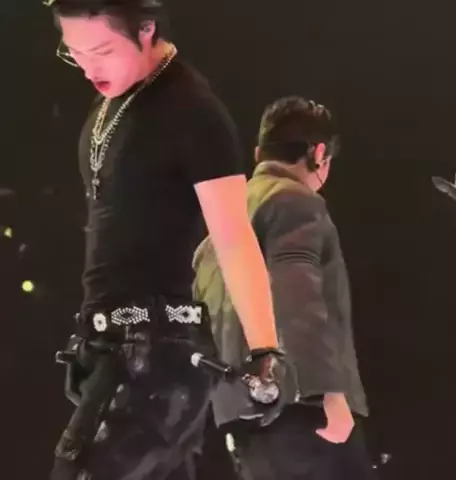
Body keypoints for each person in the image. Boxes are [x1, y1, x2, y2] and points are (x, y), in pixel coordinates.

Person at [44, 1, 284, 479]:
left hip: (160, 354)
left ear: (146, 30)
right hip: (109, 348)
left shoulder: (193, 111)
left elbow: (233, 236)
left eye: (101, 51)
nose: (89, 68)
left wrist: (265, 352)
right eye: (75, 54)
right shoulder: (112, 100)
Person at [193, 96, 373, 480]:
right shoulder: (294, 201)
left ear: (259, 154)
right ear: (318, 154)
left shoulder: (219, 230)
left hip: (240, 416)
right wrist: (328, 394)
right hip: (301, 409)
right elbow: (297, 295)